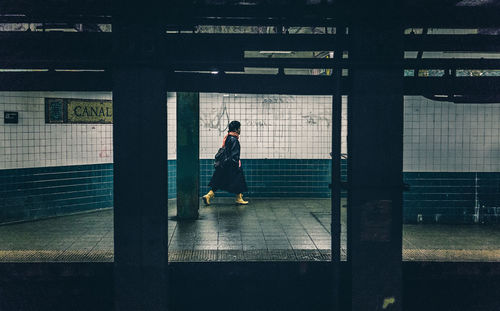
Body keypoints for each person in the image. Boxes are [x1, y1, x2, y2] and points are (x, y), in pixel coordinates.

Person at [202, 120, 248, 205]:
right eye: (239, 128)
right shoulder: (234, 140)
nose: (240, 130)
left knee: (219, 181)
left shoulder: (227, 138)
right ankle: (239, 198)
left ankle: (208, 195)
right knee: (239, 180)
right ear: (235, 129)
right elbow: (234, 155)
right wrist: (236, 166)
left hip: (224, 164)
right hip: (231, 164)